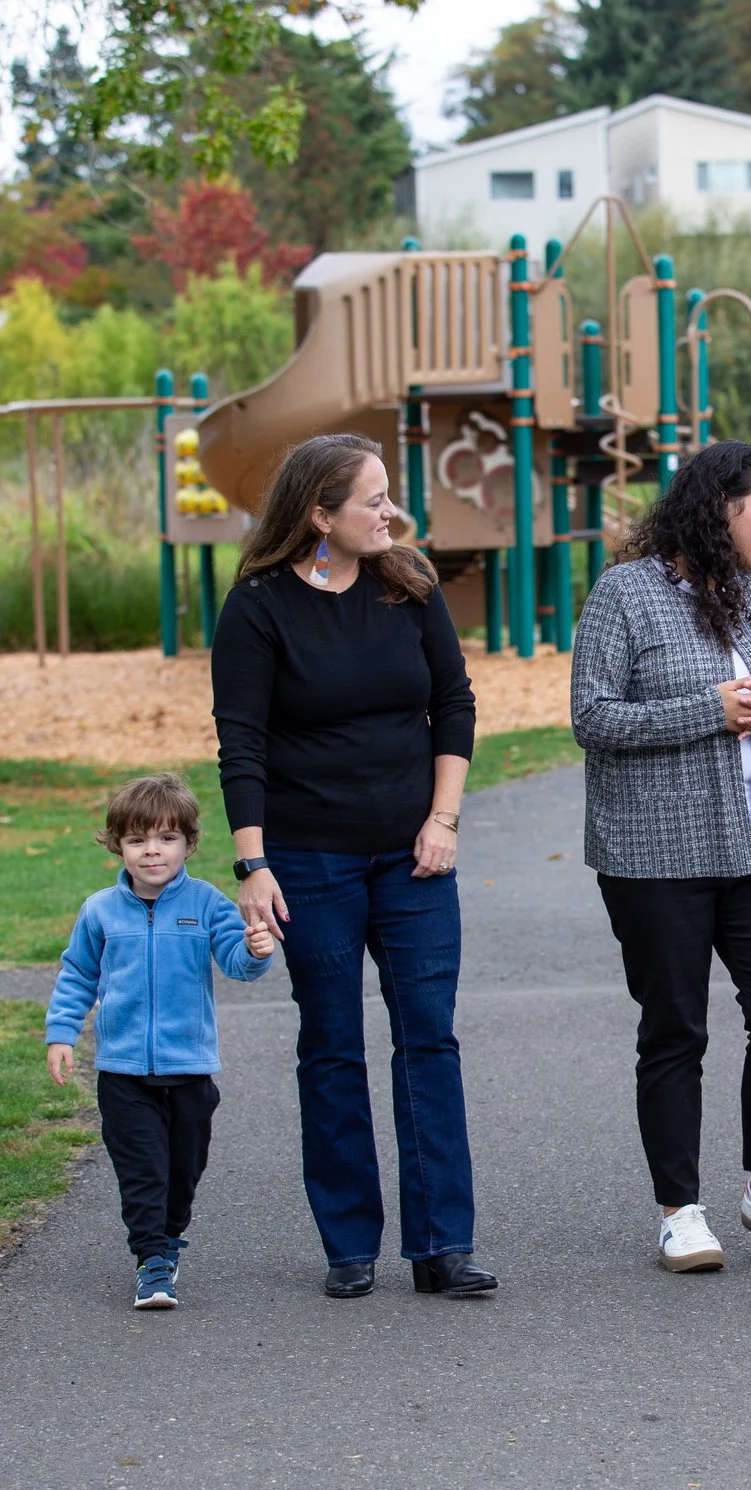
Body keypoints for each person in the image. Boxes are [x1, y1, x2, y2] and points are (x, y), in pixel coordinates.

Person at [211, 433, 495, 1300]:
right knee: (331, 1045)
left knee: (428, 1040)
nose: (389, 511)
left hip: (413, 862)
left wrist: (443, 820)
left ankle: (442, 1244)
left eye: (387, 495)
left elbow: (454, 703)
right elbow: (243, 743)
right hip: (310, 861)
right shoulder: (257, 608)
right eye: (371, 499)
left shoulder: (407, 583)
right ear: (319, 515)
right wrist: (253, 864)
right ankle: (349, 1242)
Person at [571, 440, 751, 1274]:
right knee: (676, 1029)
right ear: (722, 505)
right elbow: (594, 718)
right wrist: (708, 711)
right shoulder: (626, 595)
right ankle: (680, 1209)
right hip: (655, 855)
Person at [46, 772, 277, 1310]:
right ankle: (152, 1261)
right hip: (124, 1074)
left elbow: (237, 963)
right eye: (138, 840)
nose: (153, 851)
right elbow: (77, 975)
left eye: (167, 838)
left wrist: (258, 950)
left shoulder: (209, 903)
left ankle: (170, 1237)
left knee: (182, 1172)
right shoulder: (99, 910)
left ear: (189, 843)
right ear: (117, 845)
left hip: (190, 1070)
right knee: (142, 1172)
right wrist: (61, 1034)